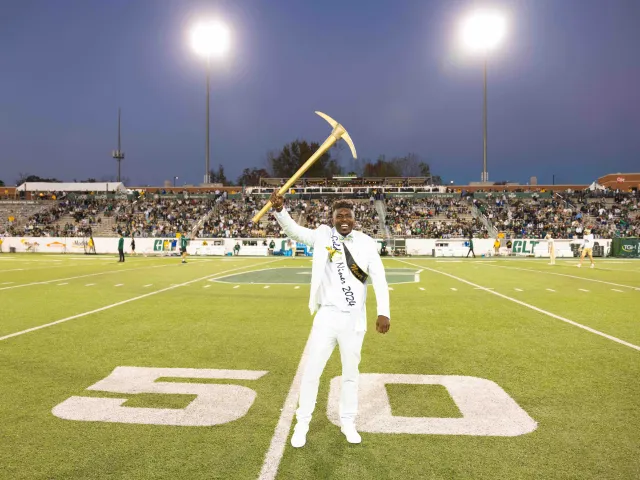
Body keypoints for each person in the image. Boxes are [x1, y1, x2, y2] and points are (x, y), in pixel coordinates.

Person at [269, 192, 391, 448]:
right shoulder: (324, 236)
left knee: (350, 375)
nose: (344, 219)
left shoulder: (367, 243)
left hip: (353, 320)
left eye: (348, 216)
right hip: (326, 317)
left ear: (355, 220)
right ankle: (302, 423)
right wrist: (280, 210)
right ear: (332, 219)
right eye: (339, 216)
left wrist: (384, 311)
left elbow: (378, 277)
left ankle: (348, 422)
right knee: (312, 371)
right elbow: (294, 231)